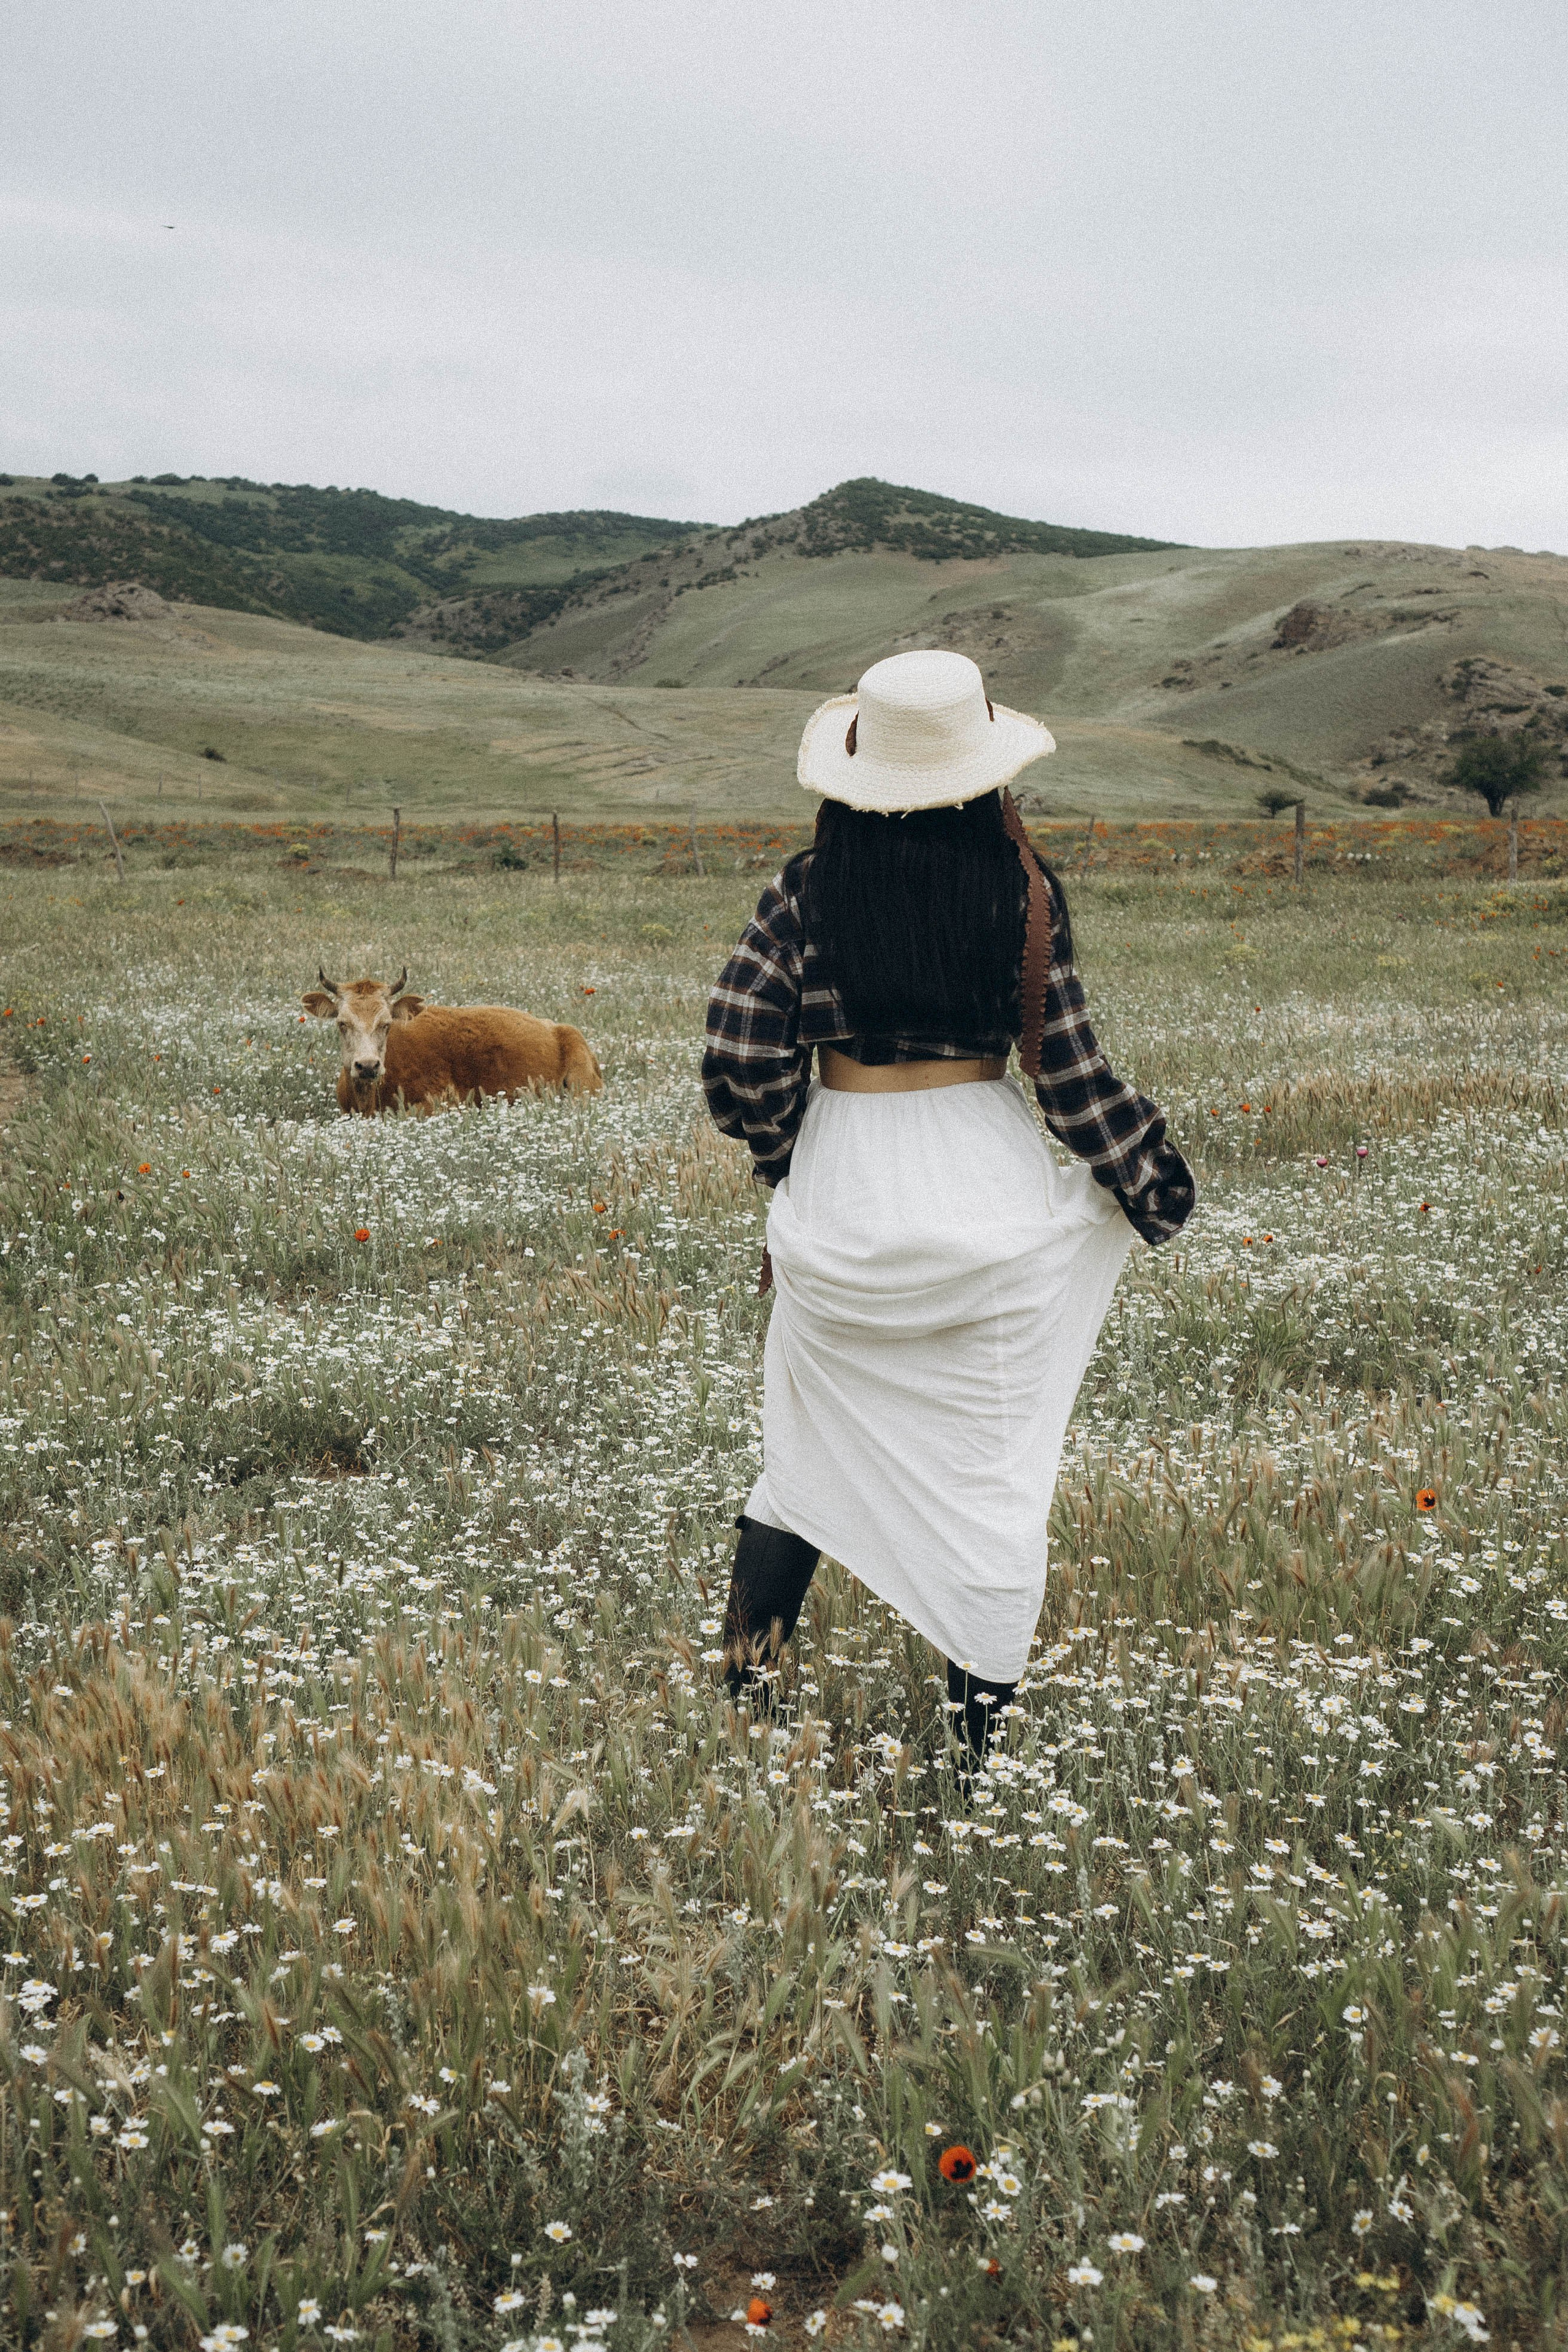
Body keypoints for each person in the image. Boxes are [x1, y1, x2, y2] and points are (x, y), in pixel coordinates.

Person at [701, 650, 1195, 1781]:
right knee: (990, 1476)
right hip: (986, 1193)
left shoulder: (803, 889)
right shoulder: (1018, 890)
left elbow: (738, 1055)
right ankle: (976, 1756)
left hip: (844, 1186)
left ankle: (746, 1692)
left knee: (805, 1458)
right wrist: (1150, 1176)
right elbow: (1067, 1075)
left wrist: (791, 1155)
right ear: (982, 774)